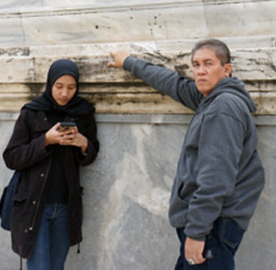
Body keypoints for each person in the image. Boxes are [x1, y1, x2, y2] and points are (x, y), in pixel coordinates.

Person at [108, 40, 264, 269]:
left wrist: (197, 233)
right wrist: (129, 63)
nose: (200, 71)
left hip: (211, 226)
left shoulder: (222, 108)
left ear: (226, 69)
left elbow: (216, 179)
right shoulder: (210, 100)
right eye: (196, 65)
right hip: (211, 224)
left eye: (208, 64)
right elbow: (174, 83)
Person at [3, 59, 100, 270]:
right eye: (59, 86)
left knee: (57, 266)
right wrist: (45, 141)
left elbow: (91, 154)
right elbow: (11, 157)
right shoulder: (32, 112)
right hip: (34, 206)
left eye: (71, 87)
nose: (65, 93)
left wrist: (84, 145)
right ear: (50, 84)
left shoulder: (83, 113)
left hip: (66, 208)